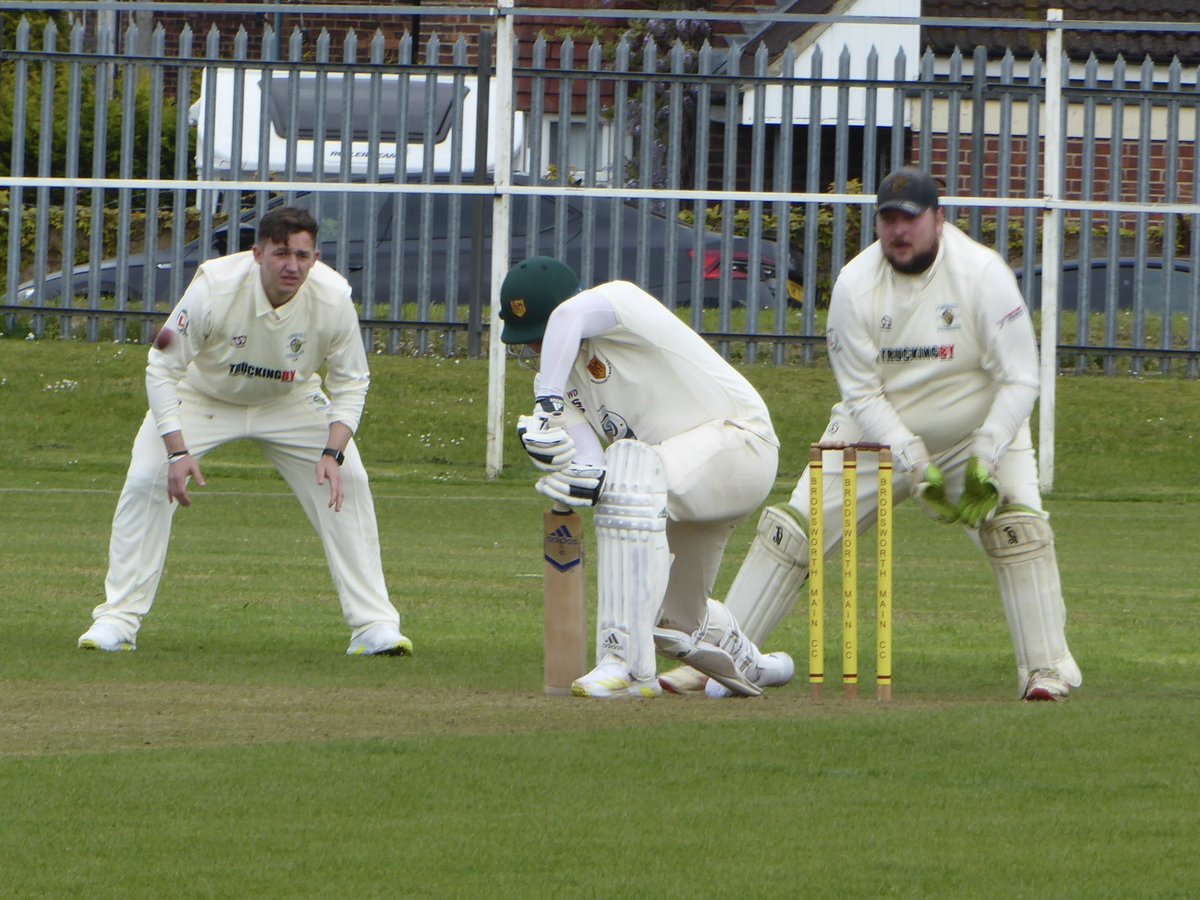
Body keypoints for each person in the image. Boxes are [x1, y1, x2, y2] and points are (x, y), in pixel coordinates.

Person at [660, 166, 1082, 701]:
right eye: (887, 219)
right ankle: (715, 661)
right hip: (875, 432)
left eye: (910, 219)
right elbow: (861, 392)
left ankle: (1046, 669)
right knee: (790, 534)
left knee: (1019, 531)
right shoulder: (856, 284)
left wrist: (986, 449)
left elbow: (1021, 378)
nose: (898, 231)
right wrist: (909, 455)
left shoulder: (982, 273)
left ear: (938, 218)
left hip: (975, 430)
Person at [77, 206, 411, 657]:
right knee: (145, 481)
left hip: (290, 399)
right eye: (280, 254)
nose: (292, 266)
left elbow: (352, 382)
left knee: (349, 483)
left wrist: (333, 454)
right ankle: (117, 620)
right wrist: (177, 453)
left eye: (303, 255)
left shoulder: (333, 297)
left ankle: (374, 627)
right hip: (202, 395)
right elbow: (161, 367)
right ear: (257, 254)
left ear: (315, 257)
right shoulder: (214, 285)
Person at [499, 257, 795, 699]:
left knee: (631, 480)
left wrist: (547, 404)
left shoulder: (620, 303)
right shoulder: (559, 383)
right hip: (674, 481)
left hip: (740, 444)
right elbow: (596, 469)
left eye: (540, 339)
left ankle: (623, 664)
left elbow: (567, 316)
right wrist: (560, 468)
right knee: (675, 621)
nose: (539, 351)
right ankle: (758, 665)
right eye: (530, 343)